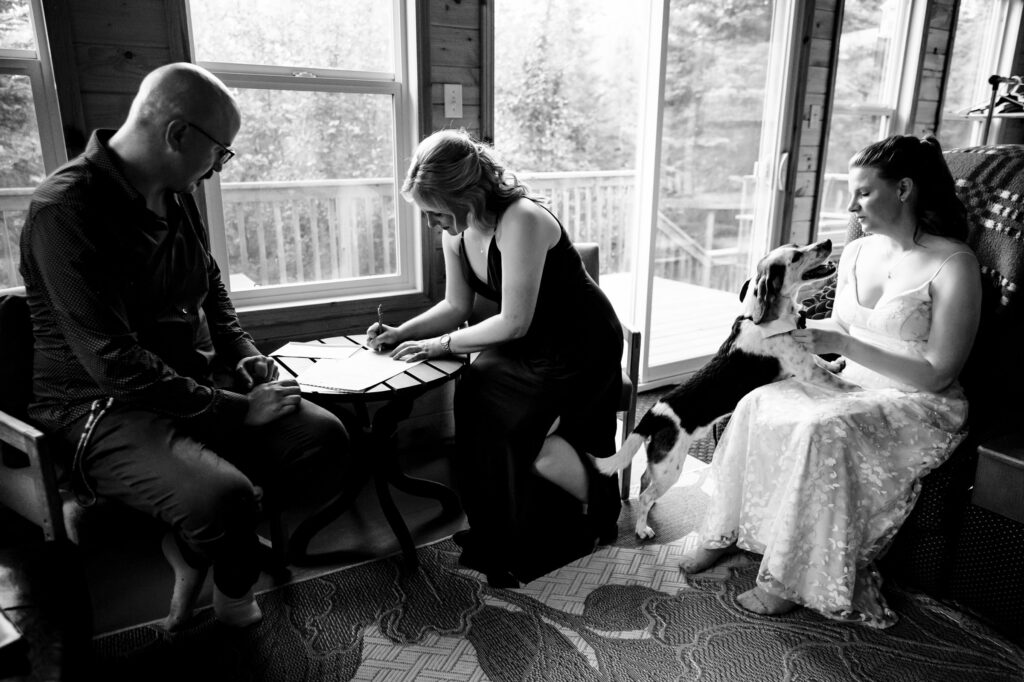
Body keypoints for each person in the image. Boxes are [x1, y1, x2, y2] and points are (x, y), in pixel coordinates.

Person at [19, 62, 349, 630]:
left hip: (191, 382)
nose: (219, 167)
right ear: (177, 134)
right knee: (226, 498)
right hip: (99, 406)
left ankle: (198, 549)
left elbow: (211, 282)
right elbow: (113, 364)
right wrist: (241, 411)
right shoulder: (66, 211)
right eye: (221, 152)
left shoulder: (175, 193)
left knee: (320, 436)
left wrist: (242, 351)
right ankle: (230, 584)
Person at [678, 134, 982, 627]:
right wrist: (803, 337)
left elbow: (939, 371)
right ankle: (726, 530)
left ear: (903, 189)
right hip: (847, 381)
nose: (850, 205)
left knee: (824, 428)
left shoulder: (954, 265)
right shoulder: (858, 252)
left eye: (862, 192)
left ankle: (788, 579)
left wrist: (846, 346)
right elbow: (840, 327)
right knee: (758, 401)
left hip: (915, 400)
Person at [367, 129, 623, 586]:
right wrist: (401, 332)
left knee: (513, 417)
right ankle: (499, 529)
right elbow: (455, 307)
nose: (431, 225)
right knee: (474, 391)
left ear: (465, 194)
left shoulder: (521, 219)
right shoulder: (457, 233)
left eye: (435, 212)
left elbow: (514, 322)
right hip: (529, 340)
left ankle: (597, 508)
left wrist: (440, 345)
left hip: (579, 343)